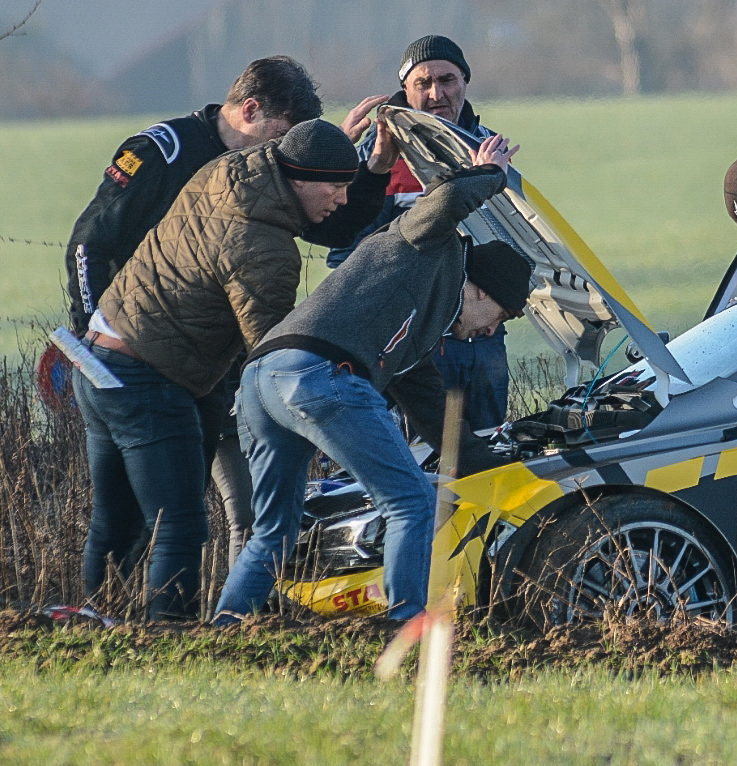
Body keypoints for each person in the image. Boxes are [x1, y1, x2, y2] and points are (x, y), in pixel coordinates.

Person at [215, 137, 530, 622]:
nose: (491, 332)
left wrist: (497, 467)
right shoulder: (431, 246)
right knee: (413, 501)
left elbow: (435, 416)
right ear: (484, 290)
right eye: (500, 317)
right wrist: (491, 174)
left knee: (273, 531)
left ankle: (225, 626)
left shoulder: (416, 329)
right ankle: (406, 623)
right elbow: (445, 199)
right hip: (320, 375)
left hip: (259, 380)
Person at [75, 119, 370, 619]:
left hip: (98, 357)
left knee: (115, 521)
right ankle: (171, 637)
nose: (341, 200)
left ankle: (92, 625)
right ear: (299, 178)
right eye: (335, 187)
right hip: (150, 380)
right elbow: (275, 356)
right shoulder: (267, 250)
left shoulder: (229, 169)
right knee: (181, 525)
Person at [64, 57, 336, 567]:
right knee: (160, 522)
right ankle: (132, 610)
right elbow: (88, 244)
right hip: (135, 359)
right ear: (250, 110)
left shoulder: (265, 175)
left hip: (210, 368)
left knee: (177, 515)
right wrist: (92, 337)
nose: (283, 155)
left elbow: (327, 225)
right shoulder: (162, 150)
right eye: (281, 137)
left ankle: (127, 608)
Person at [330, 35, 521, 434]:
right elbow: (348, 250)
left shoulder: (489, 148)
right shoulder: (379, 153)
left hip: (483, 338)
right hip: (412, 338)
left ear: (465, 81)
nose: (437, 94)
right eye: (423, 83)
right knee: (416, 457)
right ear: (406, 88)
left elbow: (516, 236)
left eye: (447, 80)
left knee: (491, 452)